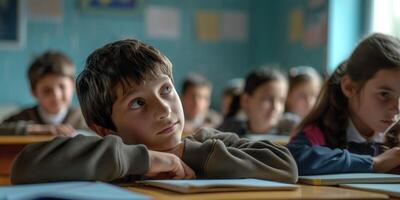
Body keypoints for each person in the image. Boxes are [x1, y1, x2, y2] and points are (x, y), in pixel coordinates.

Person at [11, 39, 298, 184]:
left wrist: (185, 154)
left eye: (166, 90)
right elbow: (25, 167)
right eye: (137, 103)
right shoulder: (103, 157)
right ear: (104, 128)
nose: (163, 110)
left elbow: (286, 166)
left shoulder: (209, 141)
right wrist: (144, 159)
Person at [287, 33, 400, 175]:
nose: (397, 109)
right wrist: (375, 163)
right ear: (349, 88)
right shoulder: (318, 133)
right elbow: (293, 159)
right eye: (384, 94)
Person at [0, 51, 87, 136]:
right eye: (47, 90)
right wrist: (35, 130)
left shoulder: (85, 118)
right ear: (34, 92)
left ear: (73, 86)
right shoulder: (24, 117)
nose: (56, 95)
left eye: (62, 87)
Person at [218, 68, 288, 137]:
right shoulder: (227, 132)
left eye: (281, 100)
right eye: (268, 99)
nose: (276, 107)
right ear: (246, 100)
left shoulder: (293, 133)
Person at [277, 66, 322, 135]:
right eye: (302, 96)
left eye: (314, 96)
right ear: (287, 96)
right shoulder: (283, 121)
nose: (309, 102)